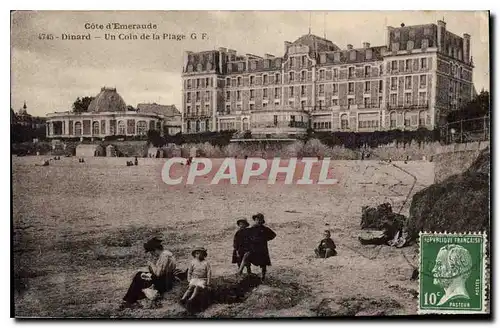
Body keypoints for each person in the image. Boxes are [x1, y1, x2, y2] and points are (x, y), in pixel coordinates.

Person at [121, 237, 178, 308]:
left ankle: (130, 301)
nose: (152, 255)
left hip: (164, 282)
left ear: (154, 250)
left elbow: (158, 273)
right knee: (140, 275)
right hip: (166, 278)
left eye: (151, 252)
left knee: (138, 277)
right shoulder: (167, 254)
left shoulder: (164, 256)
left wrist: (151, 264)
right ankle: (131, 300)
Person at [239, 213, 276, 280]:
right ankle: (241, 272)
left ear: (262, 221)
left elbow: (273, 235)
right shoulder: (252, 228)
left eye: (259, 219)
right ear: (255, 220)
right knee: (246, 256)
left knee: (263, 264)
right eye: (256, 219)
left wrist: (265, 239)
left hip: (262, 249)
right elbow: (245, 235)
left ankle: (263, 277)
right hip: (253, 248)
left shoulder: (265, 229)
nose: (258, 221)